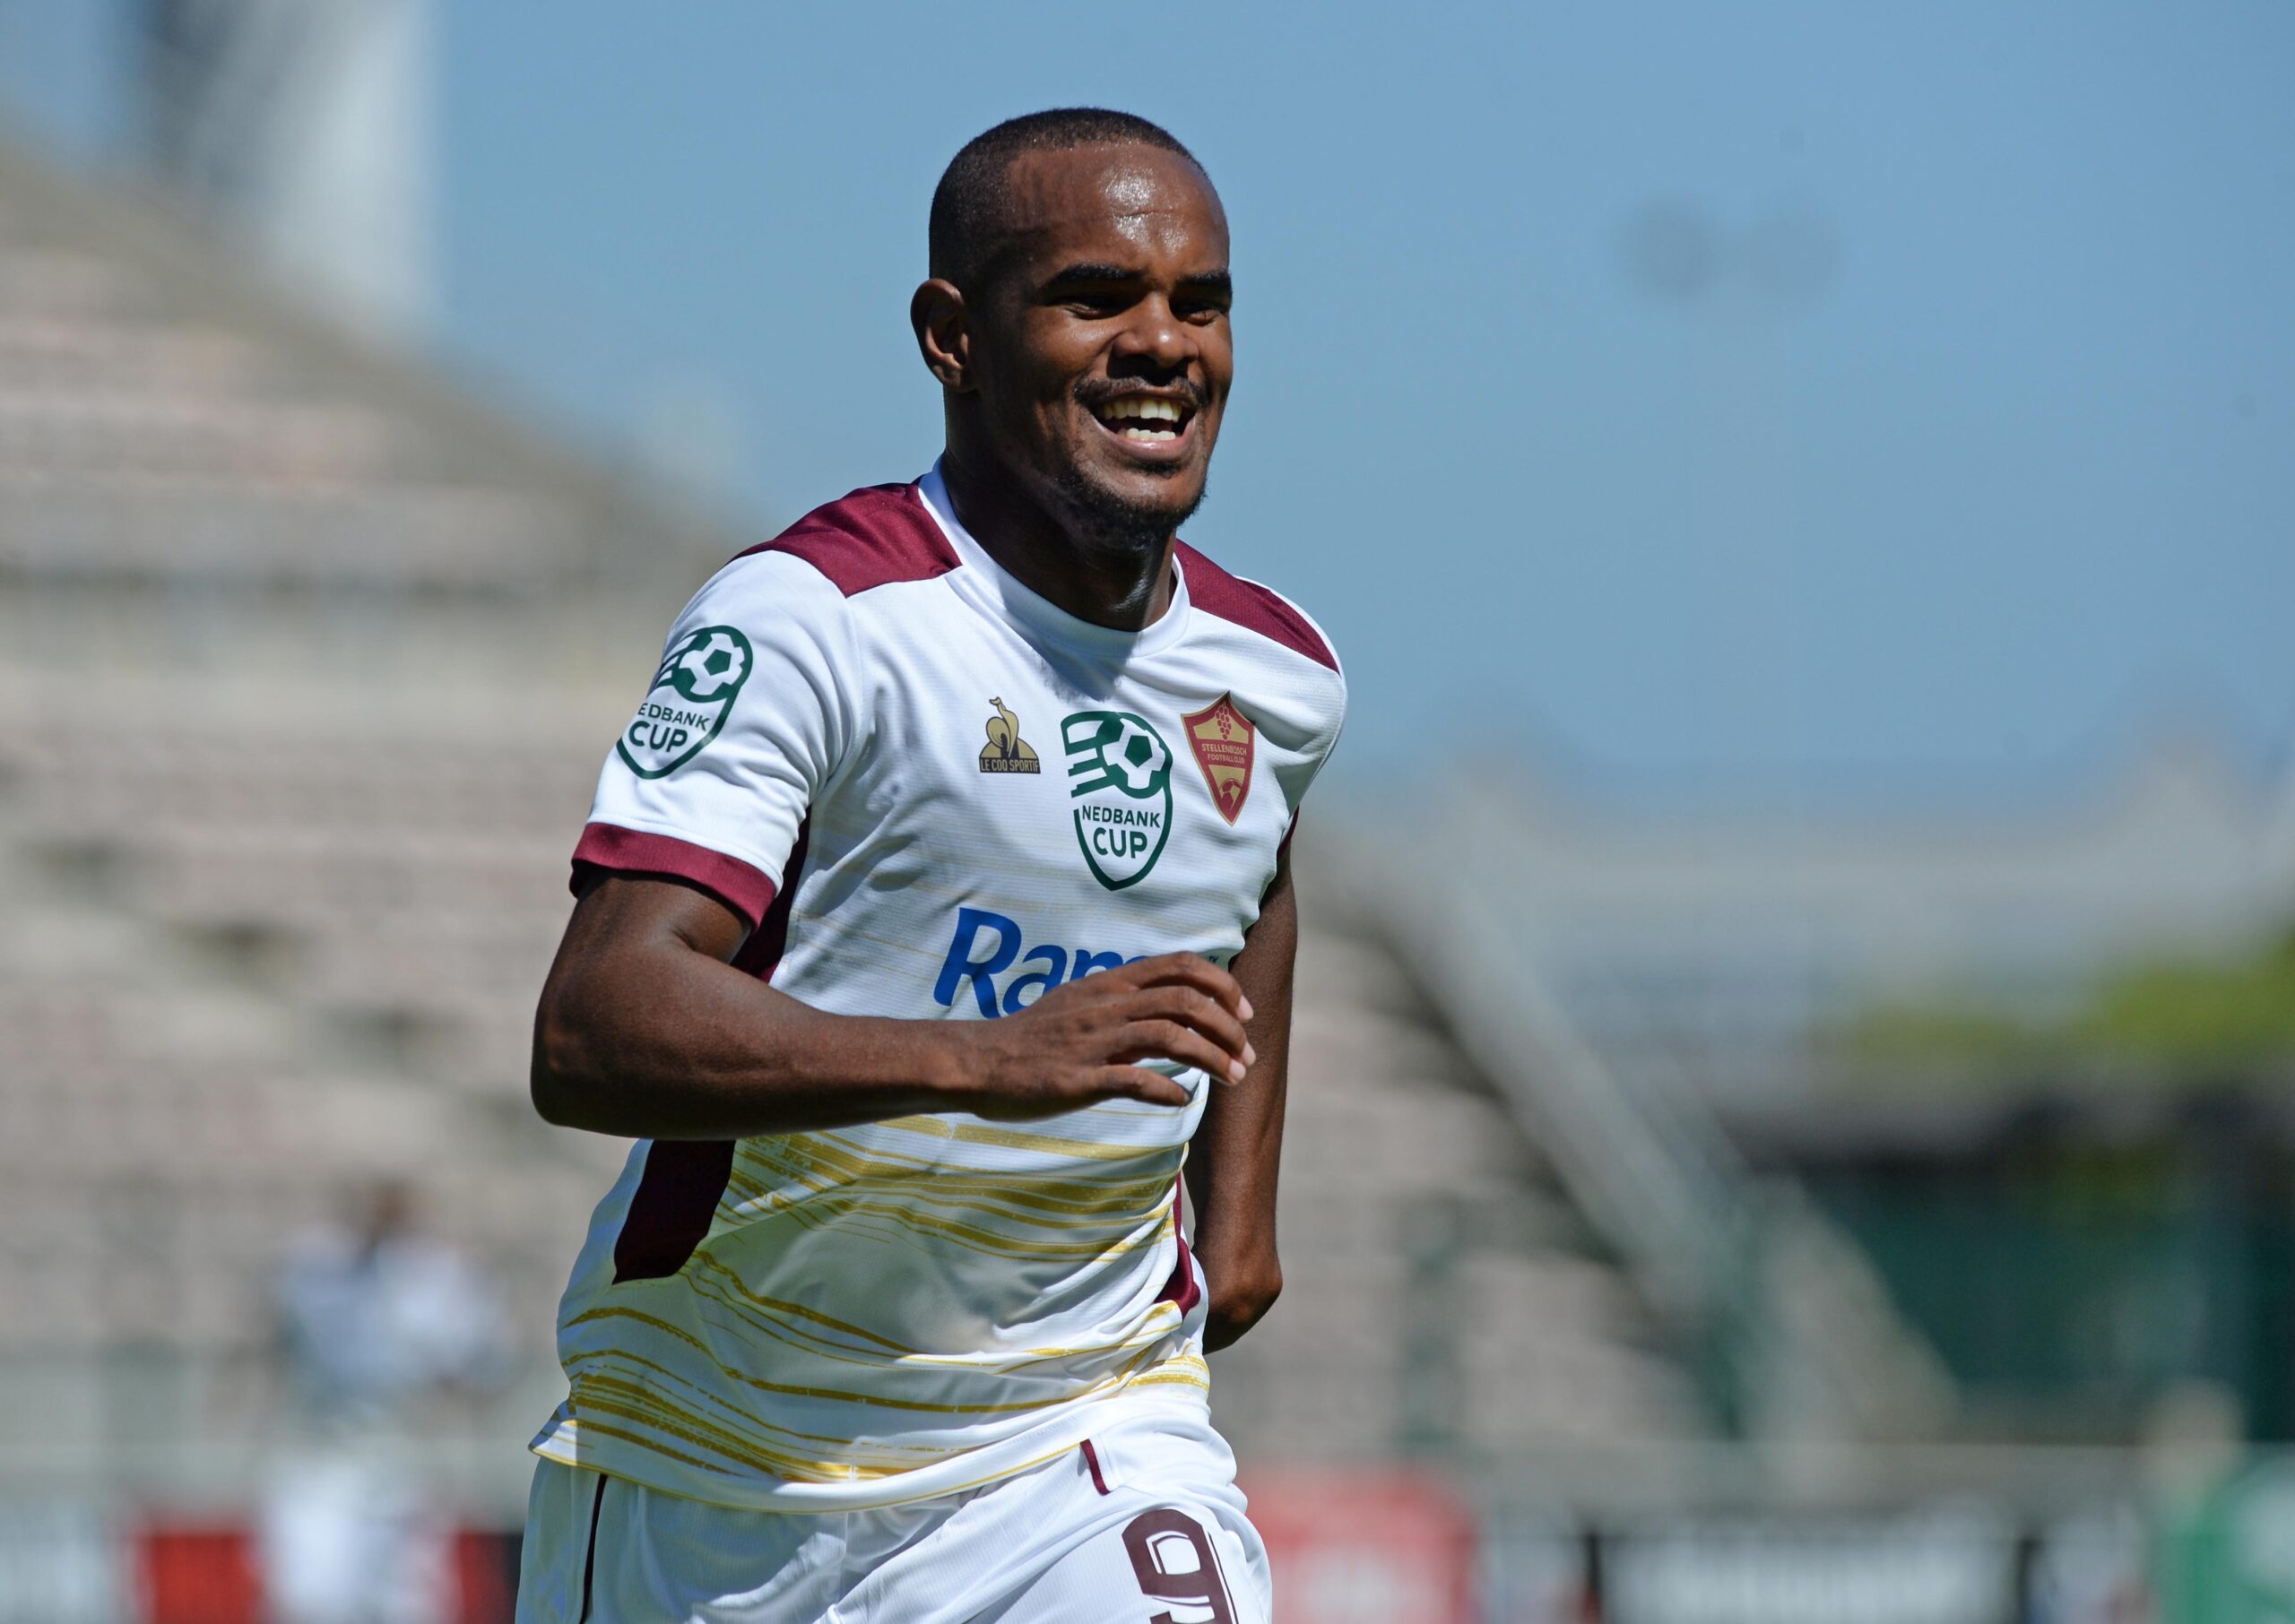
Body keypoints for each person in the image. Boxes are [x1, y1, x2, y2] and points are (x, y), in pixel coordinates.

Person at [517, 108, 1346, 1623]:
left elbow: (1260, 877)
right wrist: (983, 1060)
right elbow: (593, 1026)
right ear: (952, 337)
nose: (1164, 344)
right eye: (1097, 296)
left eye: (1201, 303)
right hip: (716, 1471)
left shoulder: (1277, 671)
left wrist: (1241, 1210)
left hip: (1078, 1440)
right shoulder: (815, 620)